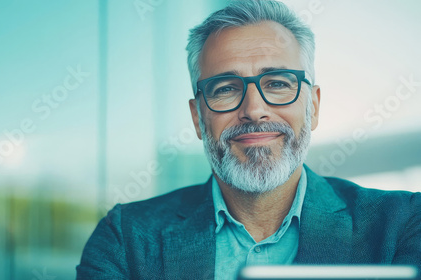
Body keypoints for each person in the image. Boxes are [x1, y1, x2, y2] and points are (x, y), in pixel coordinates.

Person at [76, 1, 421, 279]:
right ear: (198, 117)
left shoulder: (403, 224)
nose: (254, 110)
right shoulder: (126, 239)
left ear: (313, 107)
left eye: (277, 84)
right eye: (226, 89)